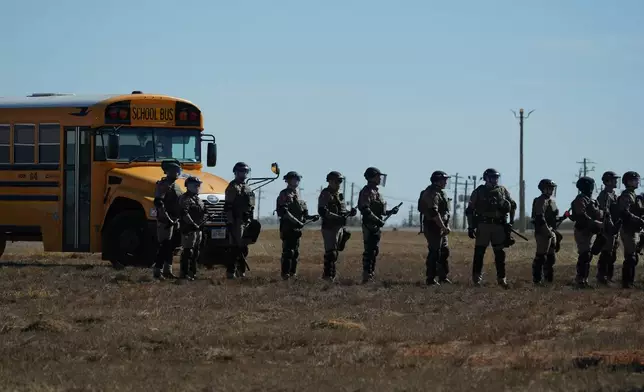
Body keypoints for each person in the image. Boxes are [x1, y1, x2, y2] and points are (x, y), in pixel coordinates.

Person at [465, 168, 516, 288]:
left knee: (500, 254)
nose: (495, 180)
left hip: (499, 226)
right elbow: (470, 211)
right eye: (493, 177)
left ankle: (501, 279)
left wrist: (511, 222)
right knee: (479, 253)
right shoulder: (479, 191)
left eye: (496, 177)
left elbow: (512, 205)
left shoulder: (503, 190)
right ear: (486, 178)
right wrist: (471, 227)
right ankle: (476, 279)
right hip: (483, 226)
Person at [358, 167, 399, 283]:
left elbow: (381, 211)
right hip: (369, 225)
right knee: (369, 251)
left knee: (374, 250)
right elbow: (365, 209)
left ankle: (371, 274)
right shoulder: (366, 191)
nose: (380, 179)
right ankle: (366, 275)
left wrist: (391, 211)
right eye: (378, 176)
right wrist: (377, 220)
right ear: (372, 177)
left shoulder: (377, 192)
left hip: (376, 226)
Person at [276, 171, 318, 279]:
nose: (296, 181)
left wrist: (312, 217)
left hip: (297, 229)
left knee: (295, 253)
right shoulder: (284, 194)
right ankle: (285, 275)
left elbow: (304, 214)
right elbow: (284, 212)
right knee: (288, 252)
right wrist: (296, 221)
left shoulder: (298, 195)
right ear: (288, 181)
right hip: (288, 227)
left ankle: (292, 273)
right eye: (294, 179)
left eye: (298, 179)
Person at [318, 171, 356, 281]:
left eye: (340, 181)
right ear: (330, 181)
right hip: (329, 227)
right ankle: (327, 276)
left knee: (335, 253)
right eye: (337, 181)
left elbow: (342, 211)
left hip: (339, 227)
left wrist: (350, 212)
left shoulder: (339, 195)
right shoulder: (326, 193)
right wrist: (337, 217)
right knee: (331, 253)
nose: (339, 183)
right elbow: (322, 211)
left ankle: (332, 275)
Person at [418, 170, 452, 285]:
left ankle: (443, 276)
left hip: (441, 227)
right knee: (435, 252)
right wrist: (443, 226)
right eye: (444, 180)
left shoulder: (441, 193)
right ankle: (431, 278)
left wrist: (446, 226)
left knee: (444, 251)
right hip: (433, 226)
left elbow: (445, 211)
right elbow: (433, 212)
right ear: (437, 180)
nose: (446, 182)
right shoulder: (431, 193)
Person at [569, 176, 603, 288]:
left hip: (591, 231)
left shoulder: (592, 199)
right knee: (585, 255)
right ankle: (580, 280)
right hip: (582, 230)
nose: (592, 187)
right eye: (590, 185)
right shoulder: (581, 199)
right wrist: (595, 222)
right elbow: (581, 215)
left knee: (588, 256)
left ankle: (584, 279)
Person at [152, 159, 183, 280]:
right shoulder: (163, 185)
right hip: (166, 221)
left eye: (178, 170)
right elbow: (159, 203)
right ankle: (157, 270)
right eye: (174, 171)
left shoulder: (176, 186)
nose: (177, 173)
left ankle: (167, 270)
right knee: (164, 245)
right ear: (167, 171)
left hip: (175, 220)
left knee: (171, 246)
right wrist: (168, 218)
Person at [224, 162, 256, 279]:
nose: (244, 174)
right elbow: (228, 207)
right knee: (234, 248)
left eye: (245, 172)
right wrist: (230, 222)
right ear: (236, 173)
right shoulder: (233, 187)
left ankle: (241, 271)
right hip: (236, 221)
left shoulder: (247, 187)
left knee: (243, 247)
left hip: (246, 221)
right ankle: (231, 272)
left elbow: (251, 206)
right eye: (241, 171)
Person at [617, 171, 644, 288]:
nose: (637, 182)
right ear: (628, 182)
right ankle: (627, 283)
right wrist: (638, 219)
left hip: (634, 229)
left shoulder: (635, 195)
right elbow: (624, 212)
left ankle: (630, 282)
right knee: (630, 257)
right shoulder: (627, 195)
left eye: (637, 179)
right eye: (635, 180)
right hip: (628, 229)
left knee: (633, 256)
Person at [594, 171, 621, 284]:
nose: (616, 181)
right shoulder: (604, 195)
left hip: (614, 228)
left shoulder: (613, 194)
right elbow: (605, 212)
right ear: (607, 181)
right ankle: (602, 277)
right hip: (607, 228)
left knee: (612, 253)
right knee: (606, 253)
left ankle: (609, 276)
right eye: (614, 179)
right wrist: (610, 226)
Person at [530, 179, 558, 284]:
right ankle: (537, 279)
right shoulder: (541, 200)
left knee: (551, 257)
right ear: (543, 189)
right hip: (543, 232)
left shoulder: (552, 201)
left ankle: (548, 279)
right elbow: (539, 218)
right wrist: (547, 231)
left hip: (551, 231)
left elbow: (554, 217)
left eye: (552, 188)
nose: (551, 190)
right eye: (549, 188)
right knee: (541, 256)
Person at [178, 176, 206, 280]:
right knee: (188, 251)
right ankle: (184, 273)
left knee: (196, 251)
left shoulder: (198, 199)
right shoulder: (185, 198)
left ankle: (193, 272)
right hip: (189, 228)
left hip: (198, 228)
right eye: (195, 185)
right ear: (188, 186)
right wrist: (193, 223)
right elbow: (184, 213)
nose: (198, 187)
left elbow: (204, 211)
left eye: (199, 185)